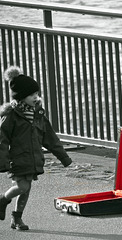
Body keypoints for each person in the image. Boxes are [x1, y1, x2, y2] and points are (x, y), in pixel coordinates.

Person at [0, 66, 72, 230]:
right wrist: (3, 162)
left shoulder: (38, 114)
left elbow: (50, 138)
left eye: (36, 94)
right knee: (22, 186)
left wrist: (64, 158)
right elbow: (2, 140)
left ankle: (17, 218)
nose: (35, 97)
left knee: (26, 190)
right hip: (18, 159)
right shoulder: (11, 115)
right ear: (21, 97)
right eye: (31, 95)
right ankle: (3, 199)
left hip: (33, 158)